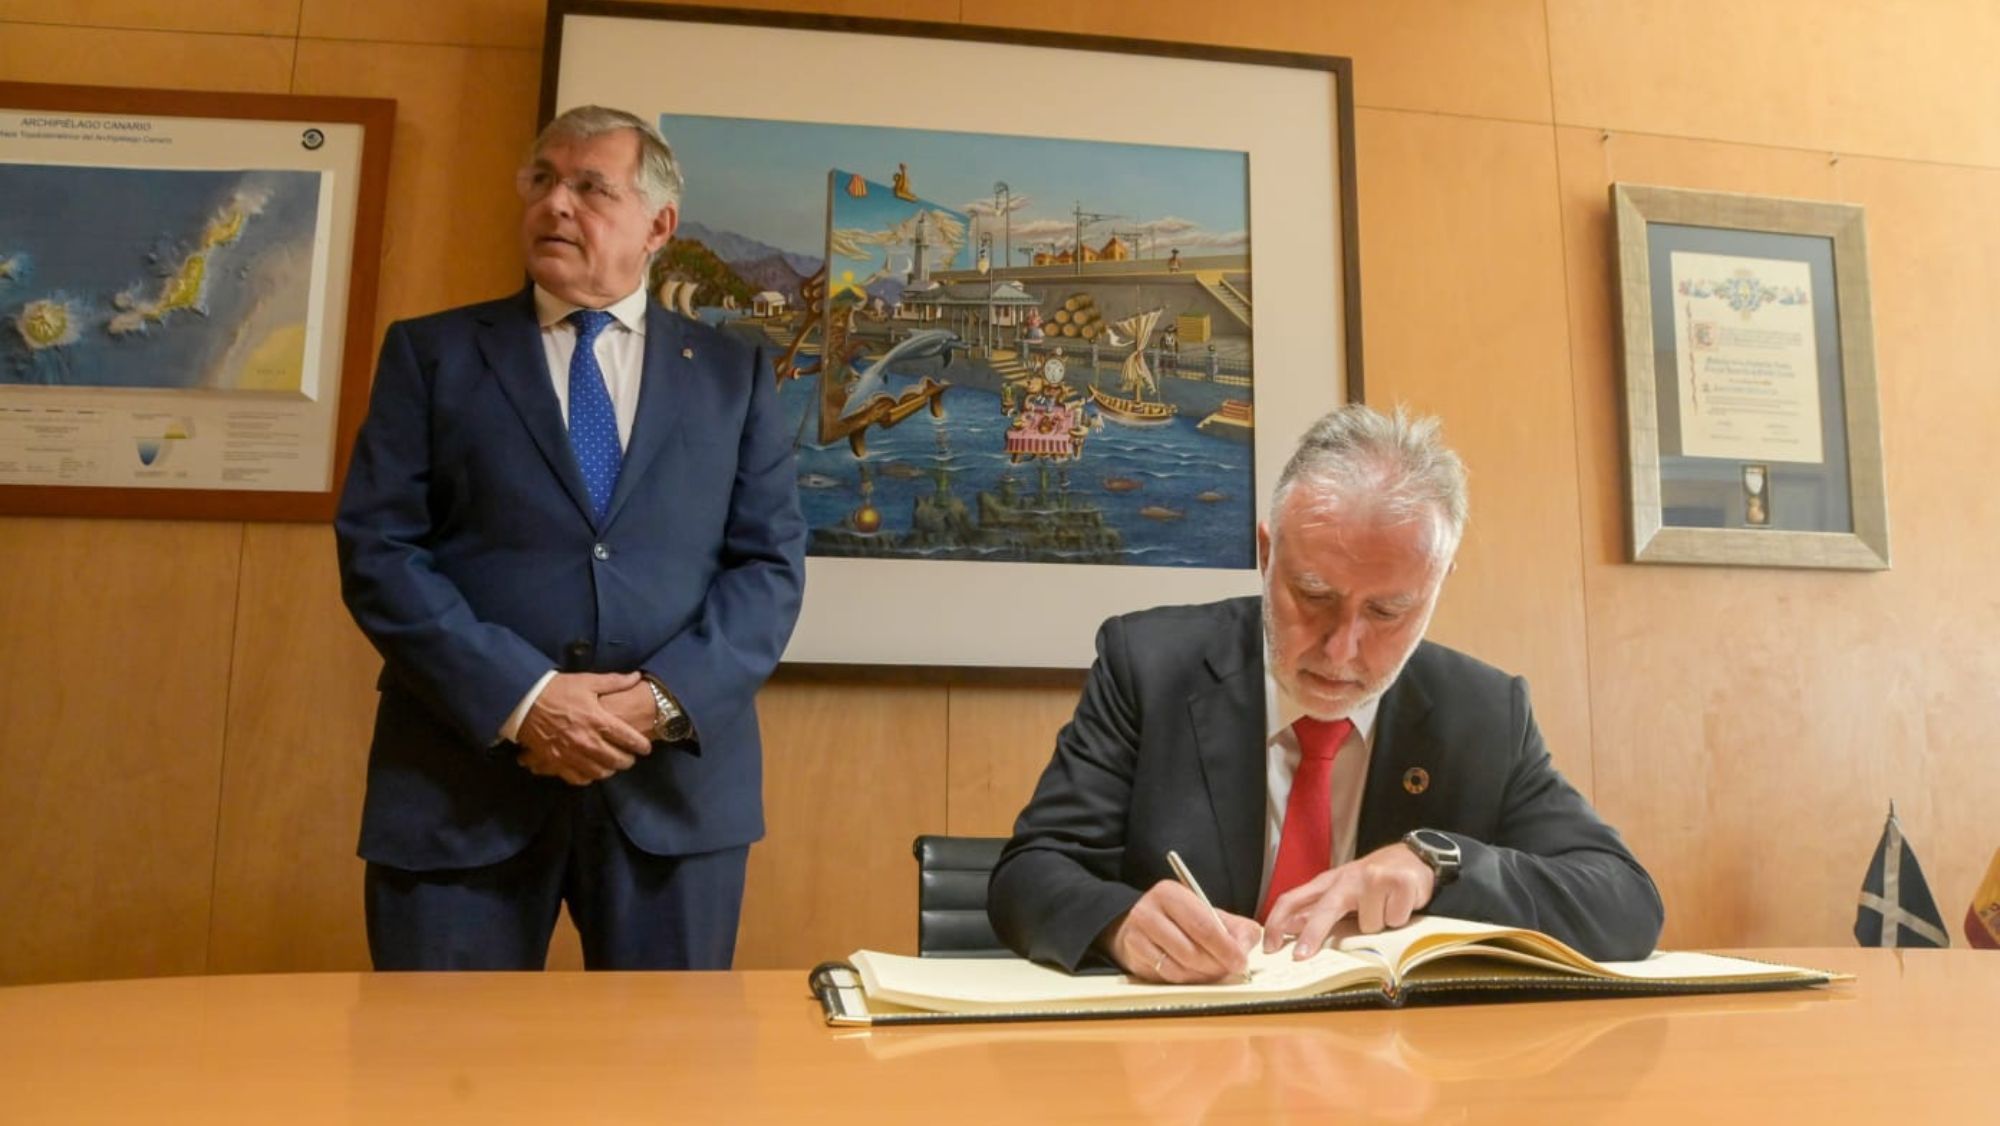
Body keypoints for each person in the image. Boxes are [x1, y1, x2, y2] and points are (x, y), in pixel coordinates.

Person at [335, 106, 806, 971]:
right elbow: (378, 551)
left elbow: (768, 570)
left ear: (658, 225)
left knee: (664, 1093)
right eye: (543, 180)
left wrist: (655, 702)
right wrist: (527, 700)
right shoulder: (431, 355)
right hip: (459, 785)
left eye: (591, 187)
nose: (556, 204)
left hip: (672, 792)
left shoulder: (735, 376)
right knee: (436, 1086)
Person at [988, 404, 1661, 982]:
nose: (1342, 650)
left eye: (1389, 612)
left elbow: (1625, 901)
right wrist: (1119, 924)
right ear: (1266, 553)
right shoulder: (1150, 666)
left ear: (1437, 585)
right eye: (1313, 596)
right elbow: (1031, 873)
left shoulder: (1483, 713)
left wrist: (1437, 864)